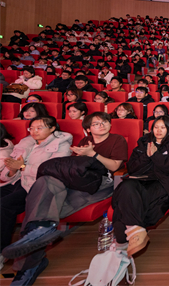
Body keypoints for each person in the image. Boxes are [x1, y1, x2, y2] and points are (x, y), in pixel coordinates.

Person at [2, 112, 128, 281]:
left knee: (40, 209)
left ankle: (28, 266)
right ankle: (38, 237)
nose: (102, 125)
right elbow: (75, 169)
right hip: (77, 182)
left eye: (105, 122)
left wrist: (92, 154)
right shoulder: (85, 141)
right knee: (45, 181)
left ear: (110, 125)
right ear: (88, 129)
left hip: (101, 184)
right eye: (96, 123)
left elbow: (114, 166)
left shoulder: (117, 139)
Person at [0, 117, 72, 272]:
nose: (34, 131)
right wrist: (12, 170)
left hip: (38, 186)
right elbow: (8, 172)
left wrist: (23, 167)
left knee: (5, 205)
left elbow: (52, 171)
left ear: (52, 128)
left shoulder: (62, 144)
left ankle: (2, 252)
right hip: (19, 181)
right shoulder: (26, 143)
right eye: (31, 128)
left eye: (39, 128)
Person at [112, 115, 169, 257]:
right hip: (139, 180)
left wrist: (155, 155)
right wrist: (146, 155)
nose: (159, 130)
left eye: (163, 127)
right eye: (156, 127)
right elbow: (132, 168)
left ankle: (122, 240)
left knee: (128, 198)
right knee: (126, 188)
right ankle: (135, 231)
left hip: (160, 182)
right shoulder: (143, 144)